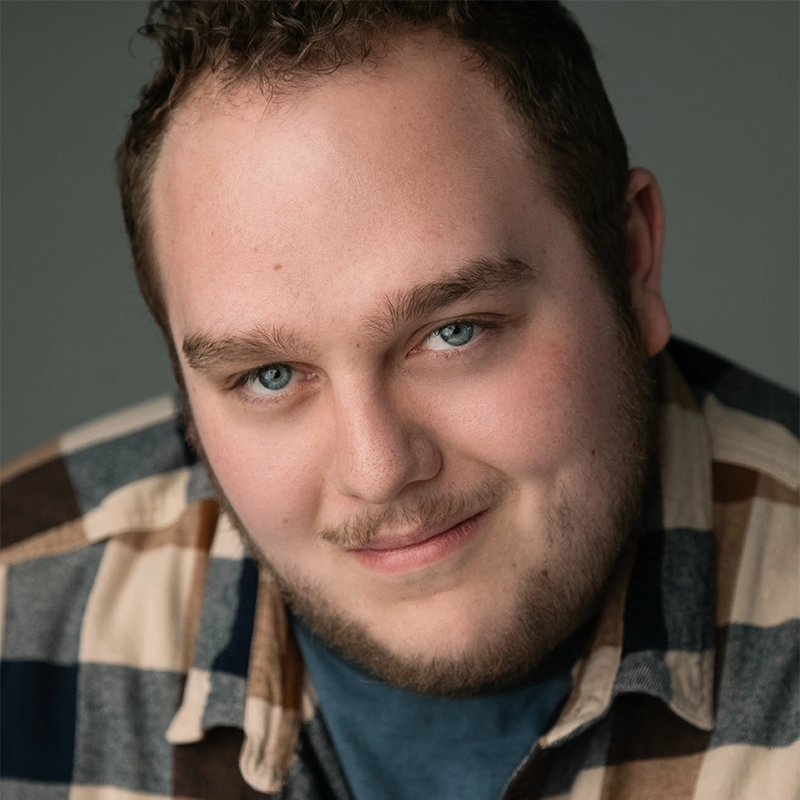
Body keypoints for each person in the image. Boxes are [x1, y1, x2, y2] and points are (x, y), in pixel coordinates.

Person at [1, 2, 797, 798]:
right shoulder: (17, 613)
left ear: (631, 260)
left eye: (454, 333)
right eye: (269, 376)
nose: (378, 470)